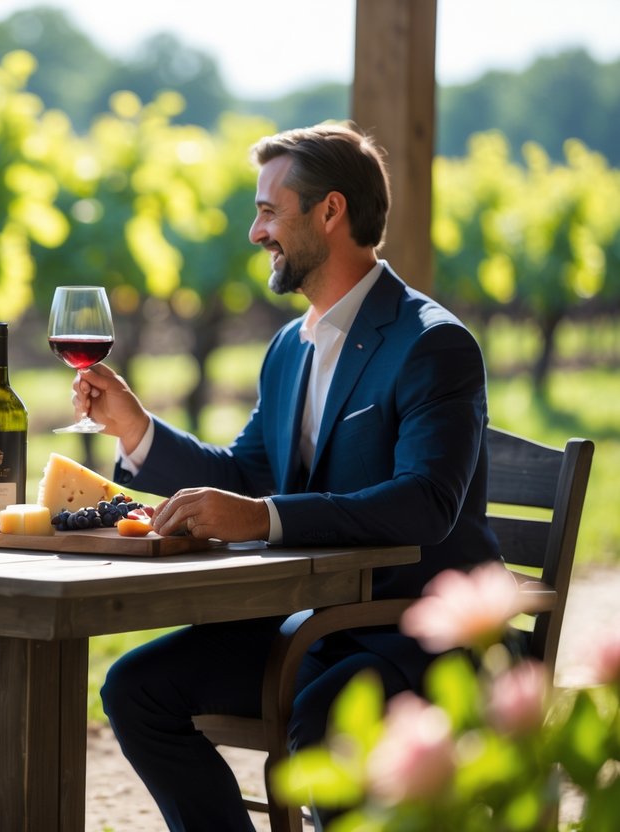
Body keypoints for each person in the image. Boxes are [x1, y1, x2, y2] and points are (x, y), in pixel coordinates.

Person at [74, 123, 499, 831]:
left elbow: (424, 504)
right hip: (315, 627)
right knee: (136, 687)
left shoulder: (432, 345)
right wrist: (135, 430)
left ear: (329, 212)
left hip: (410, 633)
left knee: (324, 717)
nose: (253, 231)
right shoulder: (288, 348)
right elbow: (246, 474)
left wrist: (264, 518)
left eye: (269, 211)